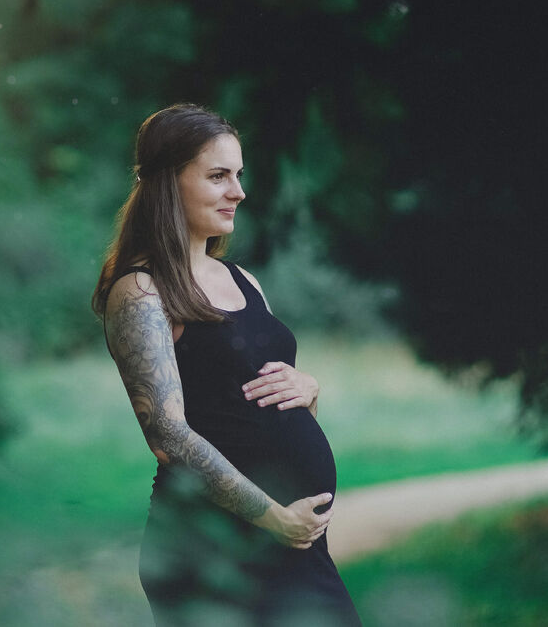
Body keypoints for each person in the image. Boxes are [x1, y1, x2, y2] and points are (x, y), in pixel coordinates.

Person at [92, 104, 360, 626]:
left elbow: (255, 389)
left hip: (290, 543)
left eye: (238, 175)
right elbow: (168, 432)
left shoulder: (242, 279)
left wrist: (308, 387)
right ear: (169, 183)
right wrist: (272, 517)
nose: (238, 191)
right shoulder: (141, 292)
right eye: (218, 176)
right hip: (212, 547)